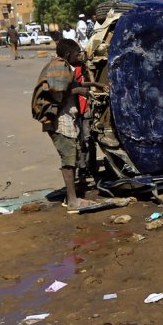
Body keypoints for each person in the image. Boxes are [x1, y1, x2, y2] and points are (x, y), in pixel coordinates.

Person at [32, 38, 103, 210]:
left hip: (66, 118)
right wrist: (80, 91)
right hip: (60, 119)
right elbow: (58, 93)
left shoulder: (64, 67)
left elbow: (72, 84)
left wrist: (93, 84)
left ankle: (72, 196)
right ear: (68, 54)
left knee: (73, 155)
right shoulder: (59, 66)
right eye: (77, 53)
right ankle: (72, 200)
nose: (79, 56)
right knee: (69, 159)